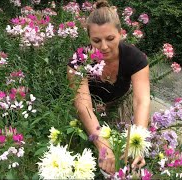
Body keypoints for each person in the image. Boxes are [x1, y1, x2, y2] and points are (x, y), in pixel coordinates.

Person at [67, 0, 150, 175]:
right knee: (92, 150)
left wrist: (139, 142)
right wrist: (103, 145)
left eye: (110, 38)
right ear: (89, 38)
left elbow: (141, 101)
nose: (104, 47)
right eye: (96, 40)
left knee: (127, 155)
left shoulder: (135, 59)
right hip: (90, 111)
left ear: (120, 34)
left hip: (119, 105)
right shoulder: (79, 60)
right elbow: (83, 105)